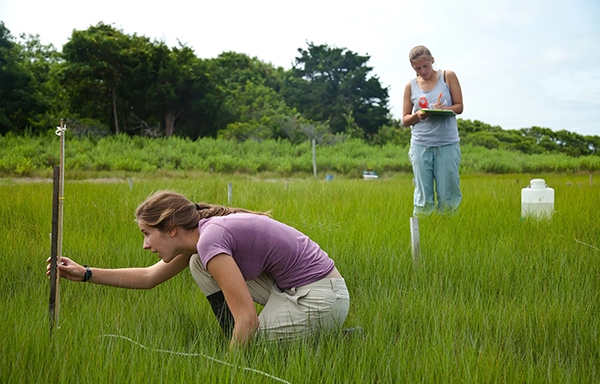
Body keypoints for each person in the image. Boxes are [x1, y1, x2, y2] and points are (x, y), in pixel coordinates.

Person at [46, 190, 350, 348]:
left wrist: (231, 369)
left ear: (172, 229)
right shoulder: (202, 240)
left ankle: (335, 336)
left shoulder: (211, 241)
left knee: (254, 342)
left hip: (319, 297)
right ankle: (252, 338)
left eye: (147, 234)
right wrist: (85, 273)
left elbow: (247, 317)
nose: (145, 245)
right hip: (299, 289)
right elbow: (149, 277)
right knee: (198, 266)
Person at [402, 45, 464, 216]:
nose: (423, 71)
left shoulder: (447, 76)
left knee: (449, 191)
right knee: (423, 194)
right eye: (418, 68)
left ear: (432, 60)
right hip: (421, 144)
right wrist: (418, 115)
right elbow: (406, 119)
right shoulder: (411, 86)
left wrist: (444, 109)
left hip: (447, 143)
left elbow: (459, 107)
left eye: (425, 66)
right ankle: (424, 230)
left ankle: (449, 227)